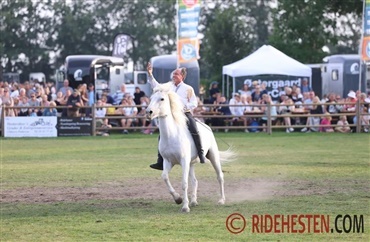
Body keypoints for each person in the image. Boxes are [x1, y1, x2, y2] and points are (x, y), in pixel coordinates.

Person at [147, 62, 206, 170]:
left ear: (182, 76)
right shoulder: (168, 87)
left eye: (176, 74)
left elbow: (194, 103)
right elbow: (155, 85)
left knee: (194, 128)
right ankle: (160, 161)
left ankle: (201, 153)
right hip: (171, 115)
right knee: (162, 134)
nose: (174, 76)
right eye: (173, 74)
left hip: (184, 113)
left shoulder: (188, 88)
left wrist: (183, 108)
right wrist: (150, 74)